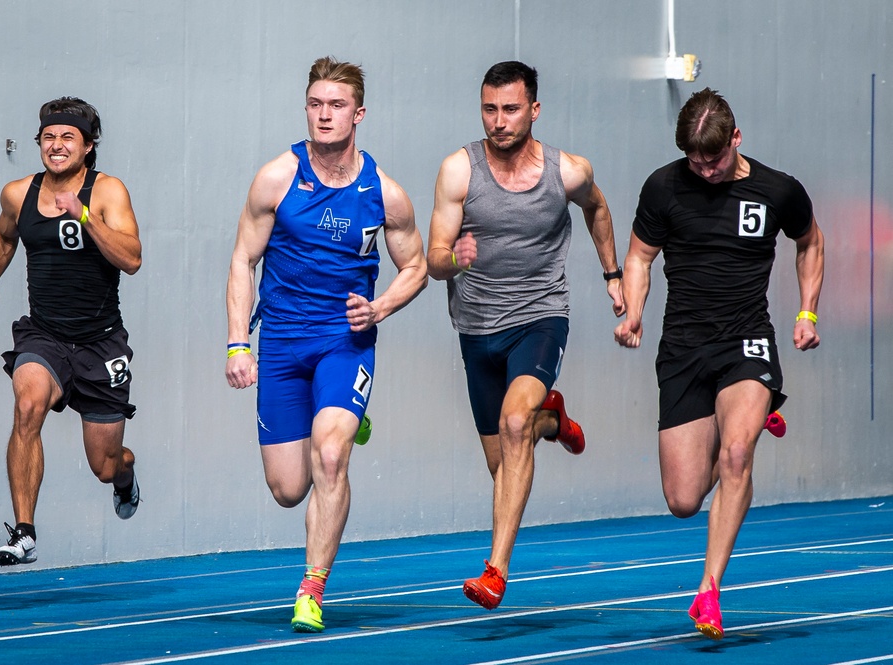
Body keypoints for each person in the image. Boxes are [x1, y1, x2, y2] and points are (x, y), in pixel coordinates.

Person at [224, 56, 427, 633]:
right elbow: (243, 258)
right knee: (289, 489)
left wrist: (381, 305)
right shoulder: (275, 178)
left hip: (345, 339)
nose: (324, 115)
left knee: (331, 455)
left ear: (358, 114)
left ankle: (312, 587)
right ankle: (337, 422)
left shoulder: (385, 193)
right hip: (283, 342)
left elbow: (414, 266)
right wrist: (239, 342)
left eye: (336, 105)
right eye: (316, 104)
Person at [614, 87, 824, 640]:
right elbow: (639, 255)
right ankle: (754, 422)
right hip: (683, 348)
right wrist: (634, 311)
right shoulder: (663, 186)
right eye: (694, 160)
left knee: (735, 456)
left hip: (746, 341)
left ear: (736, 138)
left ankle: (709, 590)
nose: (704, 170)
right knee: (683, 499)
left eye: (714, 158)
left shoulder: (778, 190)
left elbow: (811, 244)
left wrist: (806, 313)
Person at [427, 61, 625, 611]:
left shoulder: (568, 171)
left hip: (540, 318)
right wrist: (452, 259)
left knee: (514, 426)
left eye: (511, 109)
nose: (499, 121)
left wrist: (613, 276)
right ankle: (550, 419)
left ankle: (495, 571)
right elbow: (434, 260)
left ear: (534, 110)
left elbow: (599, 209)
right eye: (489, 109)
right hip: (476, 328)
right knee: (504, 465)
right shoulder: (458, 171)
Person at [0, 97, 142, 567]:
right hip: (43, 333)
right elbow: (4, 238)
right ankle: (24, 532)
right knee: (27, 405)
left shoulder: (107, 192)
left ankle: (126, 475)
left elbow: (132, 259)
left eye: (68, 137)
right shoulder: (18, 193)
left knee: (104, 465)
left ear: (87, 146)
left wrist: (83, 216)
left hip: (101, 341)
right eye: (49, 137)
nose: (57, 145)